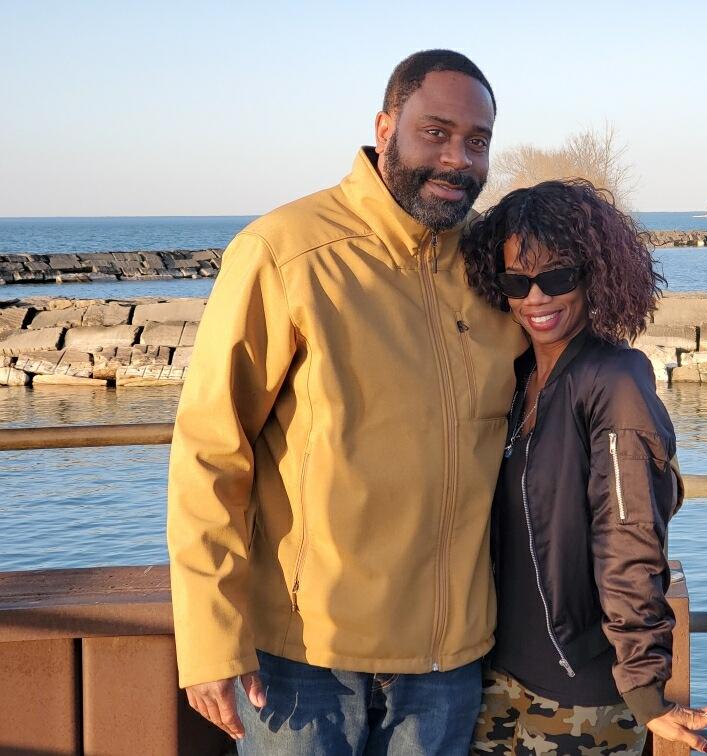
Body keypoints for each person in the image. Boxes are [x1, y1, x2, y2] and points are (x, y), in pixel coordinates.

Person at [166, 50, 527, 755]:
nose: (459, 159)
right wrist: (210, 638)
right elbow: (211, 450)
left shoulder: (491, 272)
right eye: (437, 132)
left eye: (477, 141)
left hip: (446, 665)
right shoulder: (287, 251)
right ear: (385, 127)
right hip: (305, 660)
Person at [462, 180, 707, 755]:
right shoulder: (516, 378)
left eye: (558, 276)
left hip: (581, 698)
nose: (537, 298)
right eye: (517, 282)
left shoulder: (614, 379)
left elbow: (630, 534)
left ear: (594, 272)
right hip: (495, 683)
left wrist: (647, 691)